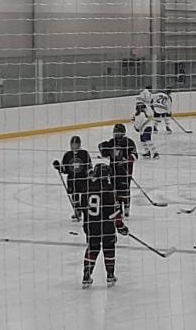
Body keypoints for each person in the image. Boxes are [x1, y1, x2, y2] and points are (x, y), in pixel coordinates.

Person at [79, 159, 124, 288]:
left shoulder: (87, 188)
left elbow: (82, 208)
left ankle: (86, 276)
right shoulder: (109, 190)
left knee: (92, 248)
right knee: (109, 248)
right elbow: (114, 213)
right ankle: (110, 275)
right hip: (106, 226)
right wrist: (121, 226)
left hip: (90, 225)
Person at [98, 123, 136, 215]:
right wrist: (102, 148)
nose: (116, 134)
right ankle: (118, 209)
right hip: (113, 171)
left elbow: (135, 156)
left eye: (118, 132)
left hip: (125, 171)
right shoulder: (111, 142)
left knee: (125, 190)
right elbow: (105, 154)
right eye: (115, 132)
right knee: (115, 191)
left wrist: (125, 161)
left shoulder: (129, 142)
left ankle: (126, 209)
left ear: (123, 133)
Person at [52, 135, 92, 220]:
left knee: (85, 196)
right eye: (72, 144)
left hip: (83, 179)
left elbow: (89, 166)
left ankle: (85, 212)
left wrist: (90, 174)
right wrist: (58, 167)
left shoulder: (84, 154)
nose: (74, 146)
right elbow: (65, 170)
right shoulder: (67, 155)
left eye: (76, 144)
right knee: (75, 196)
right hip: (72, 180)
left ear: (79, 145)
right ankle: (77, 211)